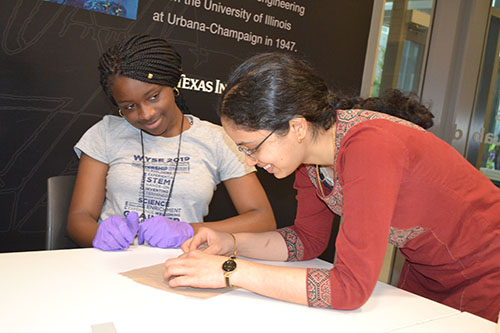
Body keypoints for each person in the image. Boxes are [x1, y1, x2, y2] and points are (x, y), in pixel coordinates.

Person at [163, 52, 500, 322]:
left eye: (252, 147)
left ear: (296, 126)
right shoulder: (310, 160)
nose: (249, 161)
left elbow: (349, 289)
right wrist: (231, 243)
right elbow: (306, 241)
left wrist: (229, 270)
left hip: (483, 267)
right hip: (427, 267)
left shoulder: (370, 148)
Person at [67, 35, 276, 251]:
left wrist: (188, 230)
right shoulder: (106, 133)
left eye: (153, 96)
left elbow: (263, 220)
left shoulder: (217, 139)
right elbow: (79, 218)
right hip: (111, 261)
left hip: (185, 261)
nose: (146, 114)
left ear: (172, 85)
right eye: (129, 107)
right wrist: (99, 235)